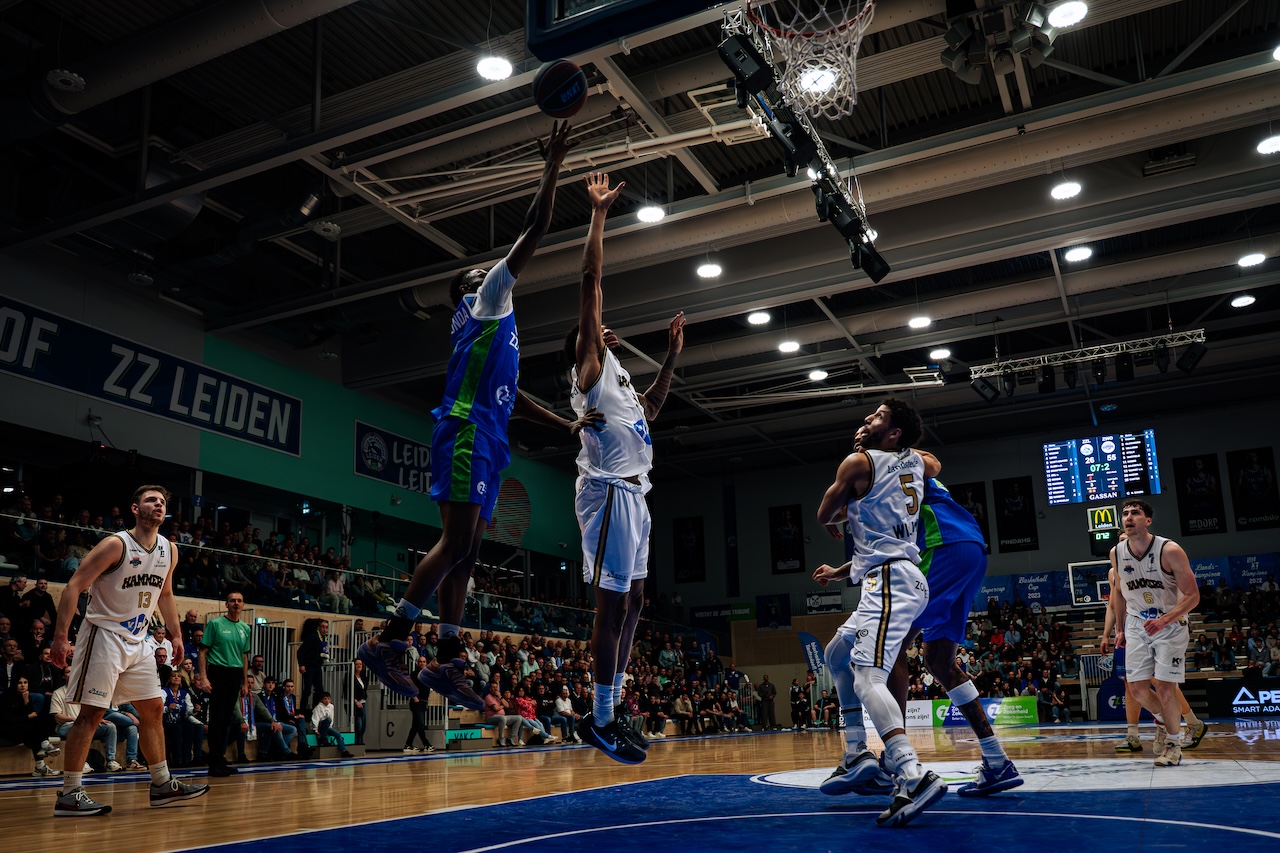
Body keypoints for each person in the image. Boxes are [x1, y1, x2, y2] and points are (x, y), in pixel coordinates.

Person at [359, 121, 590, 707]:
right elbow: (535, 228)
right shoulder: (487, 298)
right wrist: (552, 166)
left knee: (466, 551)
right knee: (457, 542)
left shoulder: (494, 330)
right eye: (484, 269)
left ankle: (446, 657)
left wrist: (564, 425)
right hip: (466, 433)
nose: (494, 269)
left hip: (484, 435)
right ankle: (389, 640)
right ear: (473, 285)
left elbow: (514, 400)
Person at [563, 173, 684, 765]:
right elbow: (591, 281)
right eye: (596, 331)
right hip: (609, 493)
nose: (606, 329)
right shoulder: (590, 368)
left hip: (637, 497)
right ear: (586, 344)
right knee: (612, 606)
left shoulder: (622, 382)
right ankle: (602, 716)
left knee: (635, 604)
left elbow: (652, 410)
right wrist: (599, 215)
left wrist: (671, 357)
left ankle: (613, 705)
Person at [812, 400, 946, 828]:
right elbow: (933, 462)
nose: (867, 419)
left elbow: (822, 514)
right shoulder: (917, 461)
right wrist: (842, 569)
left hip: (889, 581)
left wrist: (841, 511)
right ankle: (856, 753)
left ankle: (911, 772)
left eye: (878, 417)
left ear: (893, 433)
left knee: (867, 678)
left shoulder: (858, 462)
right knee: (836, 655)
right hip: (898, 576)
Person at [48, 485, 208, 816]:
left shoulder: (169, 549)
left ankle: (161, 783)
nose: (158, 504)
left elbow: (166, 594)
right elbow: (74, 586)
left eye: (162, 501)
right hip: (103, 636)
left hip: (139, 640)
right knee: (92, 714)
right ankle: (70, 792)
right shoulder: (116, 544)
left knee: (153, 709)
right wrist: (61, 637)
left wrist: (176, 635)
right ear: (135, 509)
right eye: (151, 500)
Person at [1109, 499, 1200, 767]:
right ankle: (1163, 719)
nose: (1128, 517)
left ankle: (1173, 744)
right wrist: (1120, 629)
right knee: (1136, 689)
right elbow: (1120, 594)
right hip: (1137, 623)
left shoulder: (1169, 550)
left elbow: (1193, 596)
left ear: (1147, 521)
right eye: (1125, 513)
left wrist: (1163, 620)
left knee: (1164, 686)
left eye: (1135, 513)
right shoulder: (1116, 553)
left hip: (1170, 622)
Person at [196, 591, 251, 776]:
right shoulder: (215, 624)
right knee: (217, 719)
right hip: (218, 672)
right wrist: (204, 677)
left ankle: (220, 759)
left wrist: (245, 682)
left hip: (235, 674)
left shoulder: (245, 628)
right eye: (232, 600)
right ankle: (214, 764)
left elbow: (244, 656)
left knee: (227, 720)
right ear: (226, 604)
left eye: (239, 601)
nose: (236, 603)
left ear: (243, 605)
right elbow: (202, 651)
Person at [311, 693, 353, 757]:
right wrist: (315, 729)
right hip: (320, 726)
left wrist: (330, 727)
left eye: (328, 699)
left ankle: (344, 751)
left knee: (338, 734)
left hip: (327, 726)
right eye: (325, 699)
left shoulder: (331, 706)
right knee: (328, 720)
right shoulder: (318, 707)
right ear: (321, 700)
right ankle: (323, 738)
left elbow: (332, 717)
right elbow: (315, 719)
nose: (327, 701)